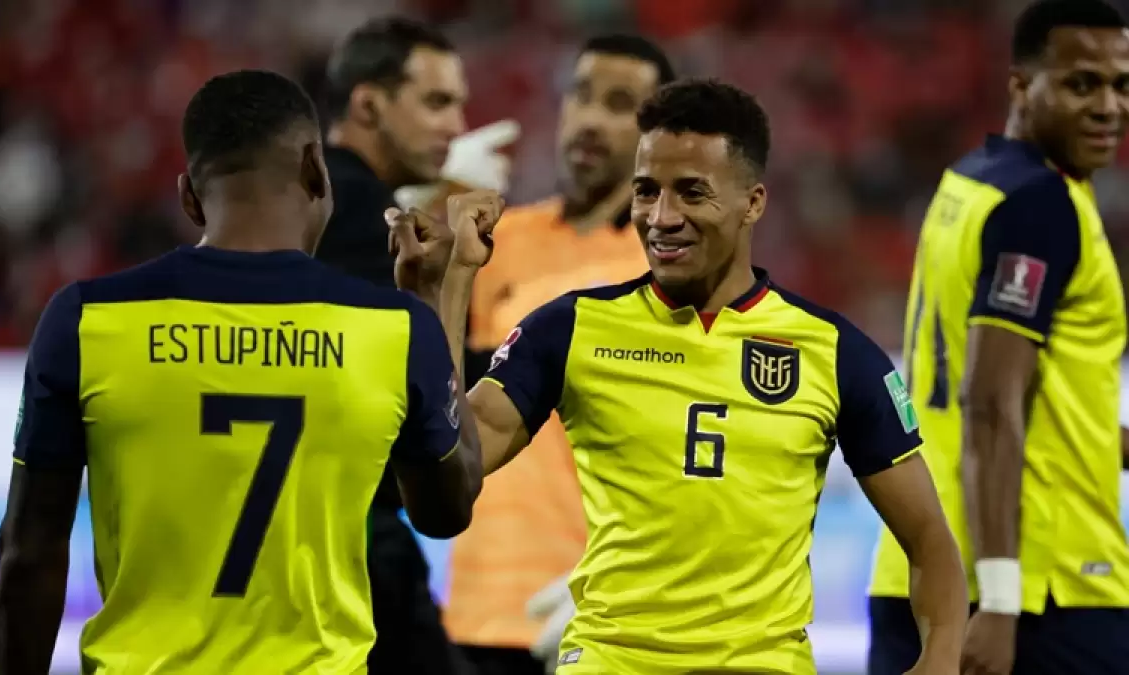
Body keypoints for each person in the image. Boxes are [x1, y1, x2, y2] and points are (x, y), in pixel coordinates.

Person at [391, 79, 968, 675]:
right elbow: (443, 497)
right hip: (612, 660)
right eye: (647, 191)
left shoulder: (835, 352)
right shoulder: (568, 329)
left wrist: (941, 658)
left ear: (753, 203)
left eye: (692, 193)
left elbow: (930, 541)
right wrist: (443, 293)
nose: (662, 218)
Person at [0, 69, 483, 675]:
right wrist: (436, 299)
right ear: (316, 169)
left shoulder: (86, 319)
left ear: (189, 198)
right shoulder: (395, 327)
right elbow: (447, 510)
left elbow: (29, 552)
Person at [867, 2, 1129, 674]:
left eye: (1121, 85)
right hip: (1038, 584)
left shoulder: (970, 182)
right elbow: (987, 402)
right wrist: (1003, 599)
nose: (1108, 106)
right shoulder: (1041, 206)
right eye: (1081, 84)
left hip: (915, 564)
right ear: (1021, 85)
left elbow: (1022, 399)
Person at [445, 34, 674, 675]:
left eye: (620, 104)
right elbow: (433, 385)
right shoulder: (498, 242)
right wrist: (422, 197)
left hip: (597, 618)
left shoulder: (665, 267)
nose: (591, 119)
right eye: (582, 96)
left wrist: (623, 587)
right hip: (474, 610)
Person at [314, 16, 515, 675]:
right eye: (436, 102)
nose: (456, 125)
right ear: (369, 103)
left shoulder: (309, 204)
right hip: (352, 541)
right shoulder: (362, 215)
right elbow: (419, 377)